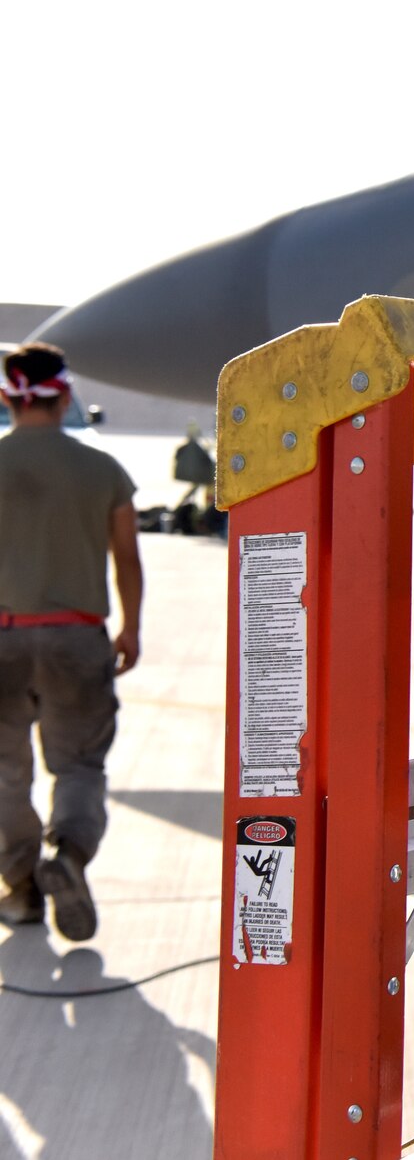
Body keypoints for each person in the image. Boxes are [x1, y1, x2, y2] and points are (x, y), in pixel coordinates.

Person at [0, 342, 143, 941]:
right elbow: (127, 560)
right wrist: (131, 626)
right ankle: (70, 858)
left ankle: (23, 890)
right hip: (79, 639)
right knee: (79, 765)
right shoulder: (102, 470)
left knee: (5, 772)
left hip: (3, 639)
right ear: (63, 397)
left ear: (8, 397)